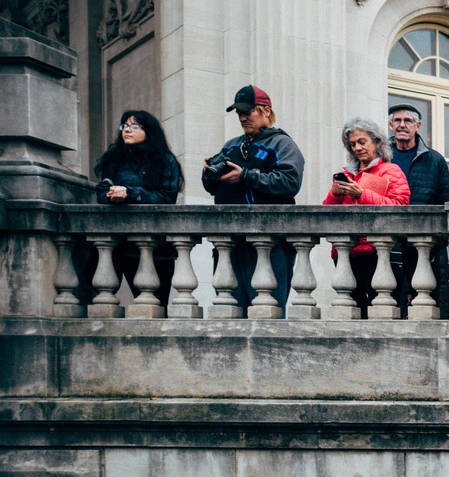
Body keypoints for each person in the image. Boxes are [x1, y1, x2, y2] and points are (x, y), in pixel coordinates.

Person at [200, 84, 305, 313]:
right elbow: (211, 187)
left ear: (265, 111)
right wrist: (209, 173)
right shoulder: (231, 146)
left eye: (248, 111)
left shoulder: (283, 144)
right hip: (230, 241)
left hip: (269, 240)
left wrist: (246, 176)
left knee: (268, 312)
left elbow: (290, 182)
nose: (242, 117)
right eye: (239, 113)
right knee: (229, 312)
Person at [92, 109, 184, 307]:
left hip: (157, 244)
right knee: (134, 300)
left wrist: (130, 193)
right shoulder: (114, 159)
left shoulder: (165, 161)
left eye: (134, 126)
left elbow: (167, 198)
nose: (127, 130)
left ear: (148, 131)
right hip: (123, 242)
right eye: (124, 126)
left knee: (157, 304)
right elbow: (101, 191)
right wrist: (111, 195)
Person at [321, 117, 411, 316]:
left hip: (378, 252)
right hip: (347, 252)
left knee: (385, 311)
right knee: (352, 312)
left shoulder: (391, 171)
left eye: (362, 142)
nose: (357, 148)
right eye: (352, 144)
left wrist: (361, 194)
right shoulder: (348, 173)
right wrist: (335, 194)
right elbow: (328, 214)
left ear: (377, 142)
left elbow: (399, 206)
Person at [387, 103, 449, 318]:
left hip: (427, 246)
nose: (402, 125)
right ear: (390, 126)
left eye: (407, 121)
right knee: (389, 306)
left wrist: (440, 243)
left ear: (417, 126)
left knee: (433, 307)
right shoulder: (382, 158)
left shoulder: (435, 160)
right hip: (389, 242)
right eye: (397, 121)